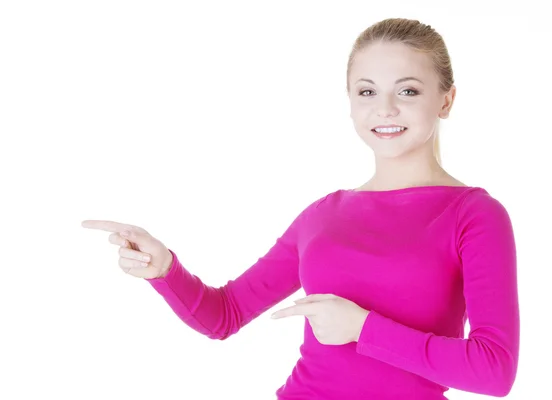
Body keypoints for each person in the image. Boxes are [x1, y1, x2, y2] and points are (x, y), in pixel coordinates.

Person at [82, 17, 519, 399]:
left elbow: (494, 370)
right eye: (367, 91)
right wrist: (165, 269)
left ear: (446, 100)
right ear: (350, 102)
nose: (384, 108)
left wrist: (363, 328)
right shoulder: (323, 216)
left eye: (407, 90)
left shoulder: (474, 215)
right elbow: (225, 314)